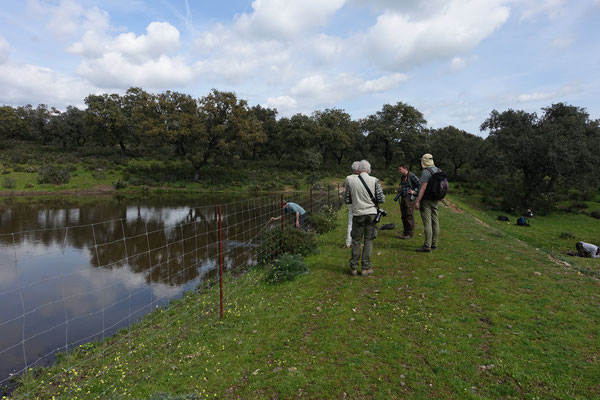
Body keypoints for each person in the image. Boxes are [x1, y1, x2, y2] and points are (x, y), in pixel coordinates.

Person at [344, 159, 385, 276]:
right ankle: (365, 268)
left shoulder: (350, 181)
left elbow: (347, 200)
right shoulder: (375, 180)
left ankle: (353, 267)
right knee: (368, 240)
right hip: (371, 213)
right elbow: (381, 199)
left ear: (358, 170)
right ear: (368, 169)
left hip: (357, 214)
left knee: (356, 240)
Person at [413, 153, 440, 252]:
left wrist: (417, 201)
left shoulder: (426, 172)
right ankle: (434, 244)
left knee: (427, 223)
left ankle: (427, 245)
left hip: (426, 200)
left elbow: (423, 188)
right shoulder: (438, 170)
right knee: (435, 222)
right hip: (435, 200)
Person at [395, 164, 420, 240]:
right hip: (403, 197)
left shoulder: (412, 176)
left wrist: (414, 191)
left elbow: (420, 185)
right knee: (403, 216)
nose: (399, 171)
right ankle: (405, 232)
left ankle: (410, 233)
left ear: (405, 169)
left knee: (409, 215)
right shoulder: (403, 177)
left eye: (400, 169)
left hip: (410, 198)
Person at [345, 161, 360, 248]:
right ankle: (355, 242)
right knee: (360, 222)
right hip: (360, 203)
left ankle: (348, 242)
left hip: (351, 202)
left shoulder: (348, 178)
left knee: (350, 222)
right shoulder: (362, 178)